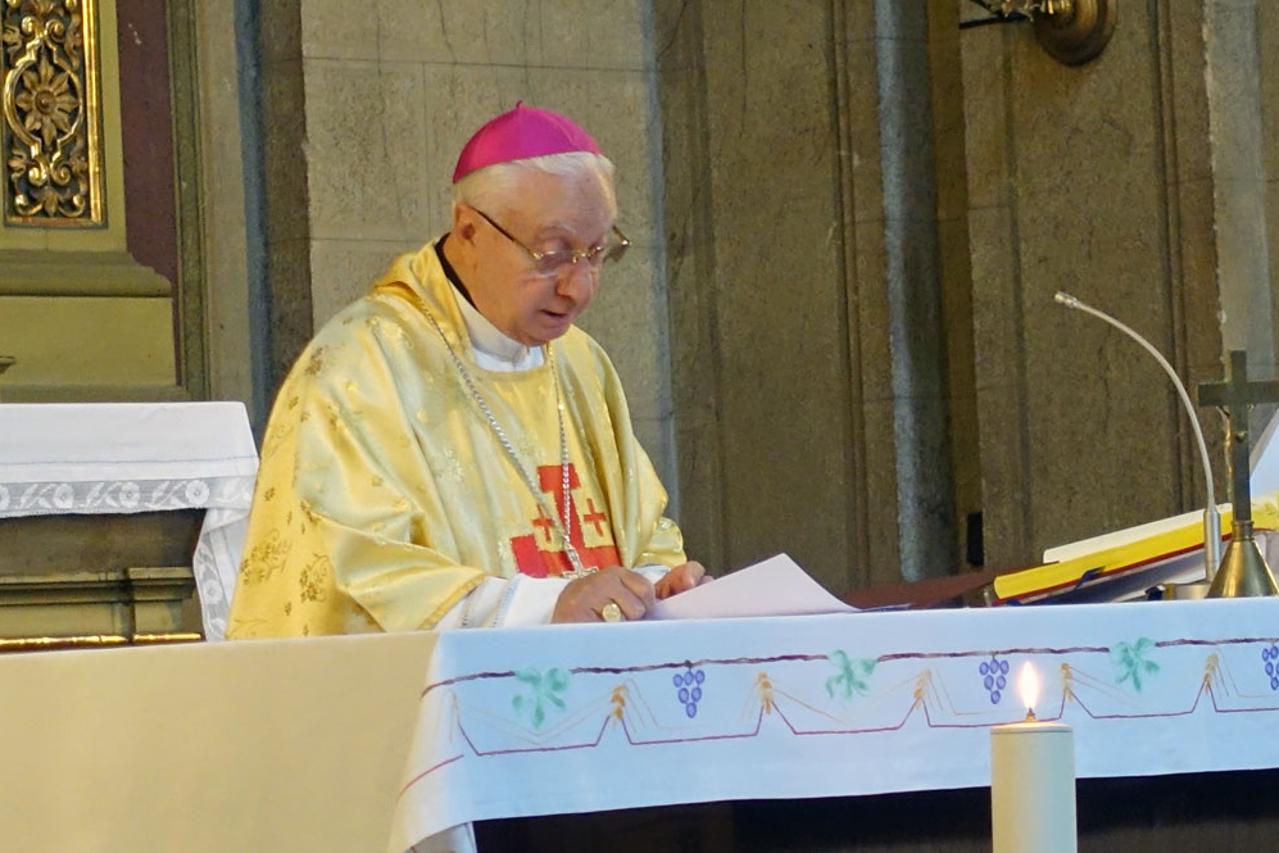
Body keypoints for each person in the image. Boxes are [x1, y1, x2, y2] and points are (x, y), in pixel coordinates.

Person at [227, 103, 705, 639]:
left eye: (596, 253)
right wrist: (545, 607)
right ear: (469, 230)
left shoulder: (580, 362)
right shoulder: (359, 369)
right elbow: (349, 575)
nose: (578, 288)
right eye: (552, 254)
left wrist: (659, 586)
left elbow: (642, 528)